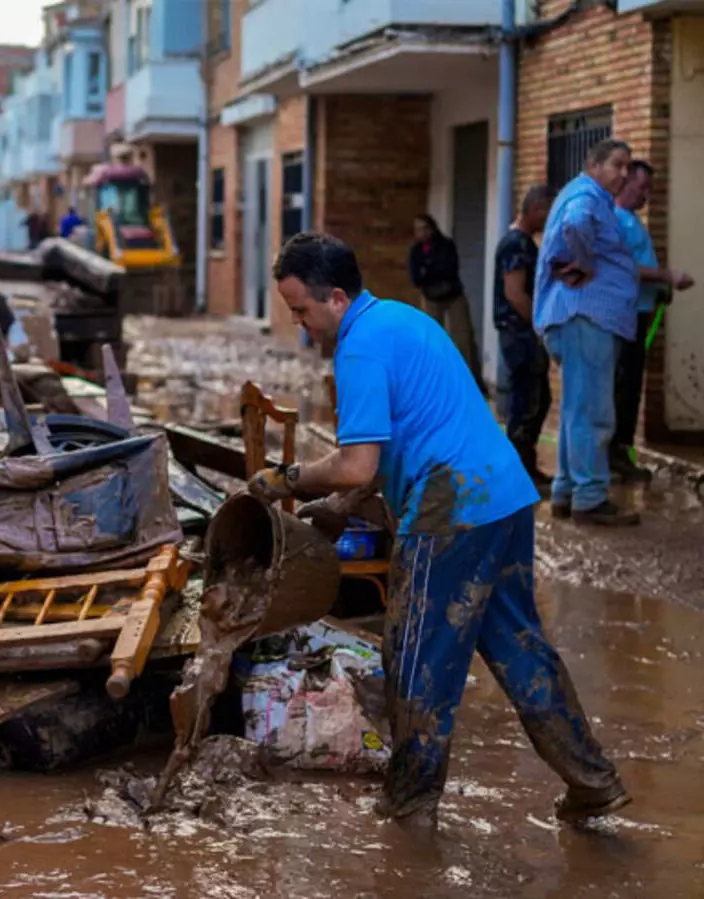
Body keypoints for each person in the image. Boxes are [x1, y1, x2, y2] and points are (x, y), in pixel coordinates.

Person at [250, 231, 628, 832]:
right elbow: (400, 441)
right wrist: (342, 503)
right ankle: (593, 781)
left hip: (450, 508)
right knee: (519, 646)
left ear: (337, 298)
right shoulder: (402, 319)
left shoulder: (359, 350)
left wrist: (288, 479)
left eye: (302, 310)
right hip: (502, 495)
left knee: (417, 658)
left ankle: (410, 805)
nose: (302, 325)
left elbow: (357, 462)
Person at [537, 138, 645, 526]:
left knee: (576, 410)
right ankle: (590, 497)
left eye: (627, 167)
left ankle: (569, 491)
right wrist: (584, 263)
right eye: (617, 165)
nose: (623, 174)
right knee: (594, 412)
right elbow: (576, 224)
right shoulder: (587, 195)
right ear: (594, 164)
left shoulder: (581, 193)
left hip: (580, 320)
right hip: (588, 319)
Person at [611, 159, 694, 483]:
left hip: (639, 312)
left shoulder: (631, 221)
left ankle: (620, 452)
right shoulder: (616, 220)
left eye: (650, 189)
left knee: (631, 387)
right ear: (624, 183)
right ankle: (615, 455)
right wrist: (666, 276)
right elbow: (624, 268)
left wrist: (659, 288)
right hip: (625, 317)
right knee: (624, 388)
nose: (646, 195)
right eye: (641, 187)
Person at [493, 185, 557, 488]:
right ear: (536, 209)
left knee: (535, 399)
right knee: (528, 402)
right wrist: (539, 325)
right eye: (548, 212)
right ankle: (518, 473)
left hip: (521, 333)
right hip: (520, 334)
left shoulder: (522, 243)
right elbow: (515, 293)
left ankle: (523, 468)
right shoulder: (516, 245)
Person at [408, 214, 485, 392]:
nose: (423, 233)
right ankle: (432, 382)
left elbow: (448, 270)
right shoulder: (416, 251)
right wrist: (429, 272)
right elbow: (416, 278)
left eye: (425, 228)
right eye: (418, 230)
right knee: (429, 338)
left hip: (452, 295)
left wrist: (428, 270)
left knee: (462, 338)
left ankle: (471, 382)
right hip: (430, 297)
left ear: (433, 228)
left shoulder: (446, 245)